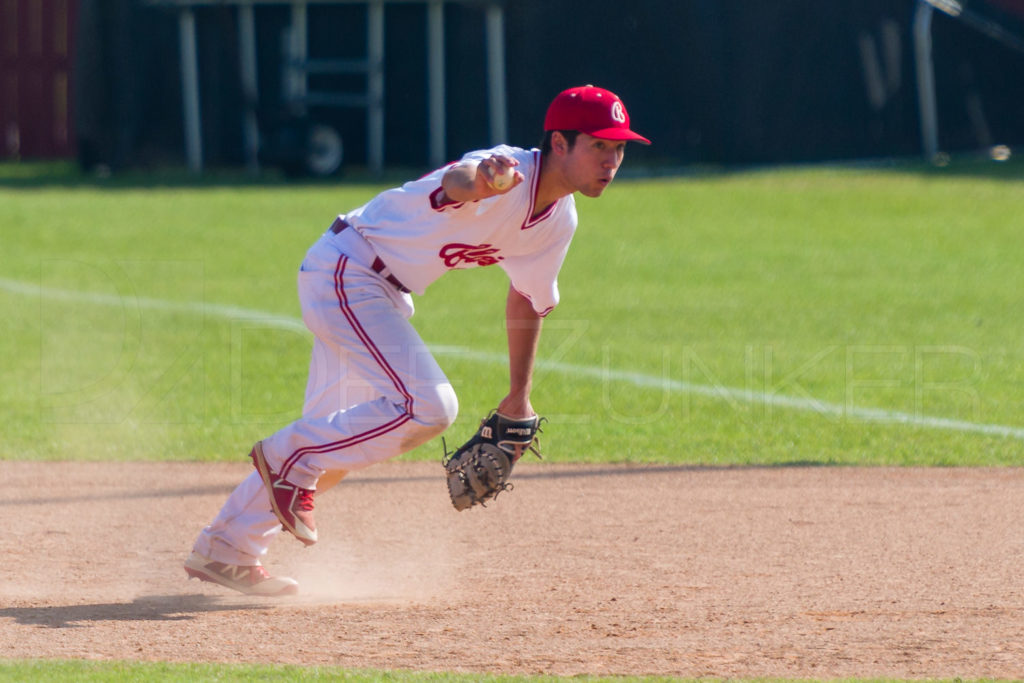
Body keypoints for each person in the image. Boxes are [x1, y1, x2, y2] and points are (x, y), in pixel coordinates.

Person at [184, 85, 650, 595]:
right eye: (599, 146)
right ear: (559, 143)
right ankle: (285, 458)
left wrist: (519, 398)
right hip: (348, 269)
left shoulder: (558, 220)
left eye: (619, 148)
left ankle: (227, 549)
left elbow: (527, 299)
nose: (611, 160)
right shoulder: (506, 170)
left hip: (377, 292)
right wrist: (483, 182)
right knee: (430, 407)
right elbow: (456, 180)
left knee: (334, 454)